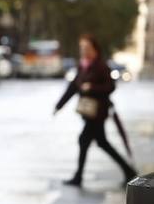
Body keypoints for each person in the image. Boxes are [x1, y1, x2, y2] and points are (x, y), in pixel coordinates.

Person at [55, 33, 136, 186]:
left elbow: (111, 87)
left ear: (95, 49)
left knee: (84, 140)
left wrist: (92, 87)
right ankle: (128, 171)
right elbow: (73, 87)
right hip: (88, 113)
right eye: (82, 48)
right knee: (102, 143)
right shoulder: (83, 65)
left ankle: (78, 177)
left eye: (86, 47)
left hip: (98, 113)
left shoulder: (101, 66)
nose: (83, 50)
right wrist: (59, 105)